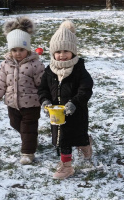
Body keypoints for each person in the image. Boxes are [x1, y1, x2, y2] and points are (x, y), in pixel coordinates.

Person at [38, 20, 93, 179]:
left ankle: (86, 144)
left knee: (79, 135)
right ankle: (67, 166)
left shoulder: (79, 69)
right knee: (63, 140)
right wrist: (45, 101)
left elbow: (86, 89)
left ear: (73, 52)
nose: (62, 55)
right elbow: (42, 89)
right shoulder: (50, 71)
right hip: (57, 114)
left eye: (66, 51)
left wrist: (75, 103)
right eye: (58, 51)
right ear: (53, 53)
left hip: (77, 112)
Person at [0, 17, 45, 165]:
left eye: (21, 49)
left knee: (27, 129)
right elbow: (0, 81)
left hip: (31, 105)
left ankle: (28, 153)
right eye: (14, 50)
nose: (18, 53)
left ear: (28, 49)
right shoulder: (5, 64)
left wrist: (46, 100)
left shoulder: (35, 64)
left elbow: (42, 83)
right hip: (12, 104)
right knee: (15, 124)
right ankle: (30, 140)